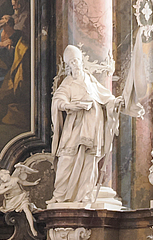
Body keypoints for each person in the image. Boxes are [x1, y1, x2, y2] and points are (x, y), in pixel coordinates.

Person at [49, 45, 123, 204]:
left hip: (92, 125)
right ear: (68, 65)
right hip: (74, 124)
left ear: (81, 62)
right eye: (72, 62)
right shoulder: (68, 82)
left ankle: (84, 196)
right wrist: (72, 106)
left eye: (77, 61)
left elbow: (105, 97)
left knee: (90, 160)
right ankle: (60, 195)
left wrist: (116, 103)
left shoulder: (90, 79)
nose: (75, 64)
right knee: (66, 157)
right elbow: (58, 100)